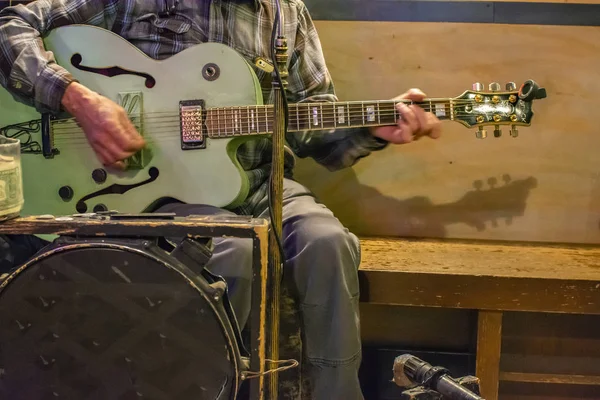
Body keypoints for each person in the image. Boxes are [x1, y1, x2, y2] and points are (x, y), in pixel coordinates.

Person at [0, 1, 441, 398]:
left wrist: (372, 128)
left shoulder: (286, 13)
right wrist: (79, 100)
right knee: (229, 246)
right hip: (161, 192)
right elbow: (9, 25)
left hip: (262, 184)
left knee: (329, 242)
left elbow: (311, 128)